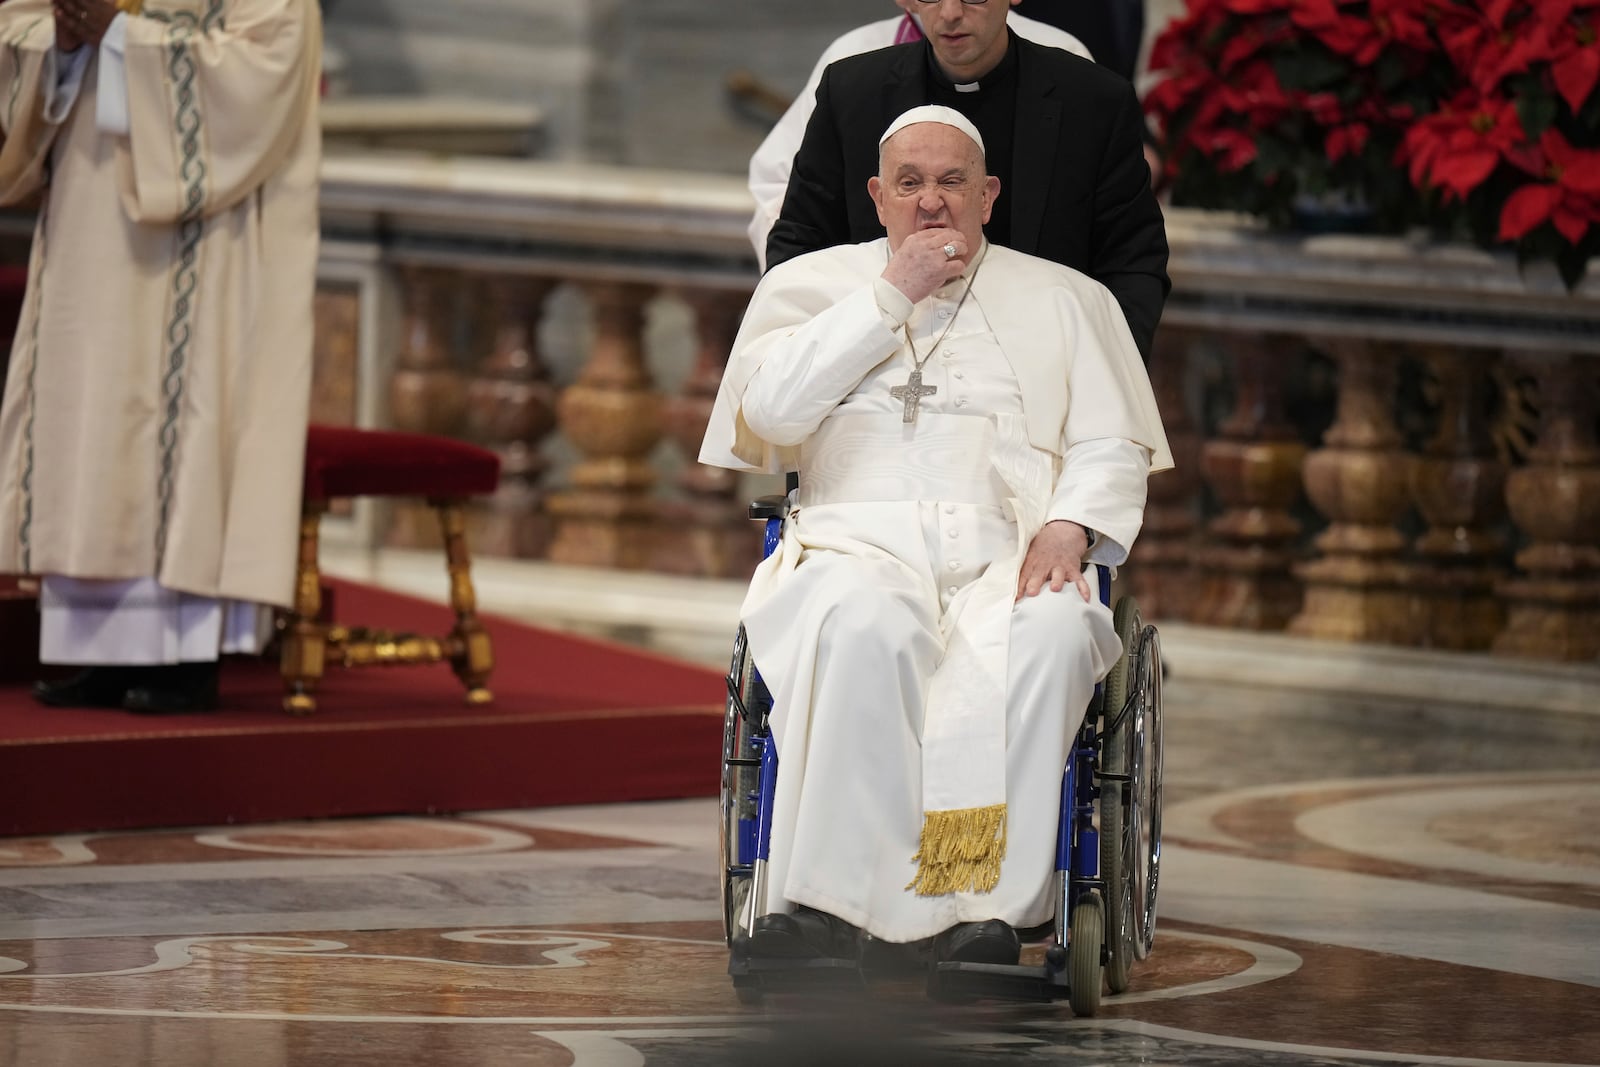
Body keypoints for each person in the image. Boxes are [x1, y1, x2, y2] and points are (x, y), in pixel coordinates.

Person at [700, 107, 1171, 964]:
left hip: (1010, 550)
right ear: (877, 197)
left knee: (1058, 632)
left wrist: (1071, 524)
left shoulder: (1069, 298)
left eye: (952, 181)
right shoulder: (808, 287)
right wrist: (890, 296)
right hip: (854, 542)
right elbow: (768, 411)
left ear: (988, 195)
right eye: (909, 183)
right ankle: (826, 907)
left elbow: (1112, 440)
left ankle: (983, 917)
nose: (930, 201)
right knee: (858, 625)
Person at [0, 0, 322, 713]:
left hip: (203, 235)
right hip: (88, 201)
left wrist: (121, 35)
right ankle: (99, 651)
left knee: (180, 418)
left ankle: (182, 656)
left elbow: (266, 66)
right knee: (90, 414)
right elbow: (12, 24)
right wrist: (59, 36)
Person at [767, 0, 1169, 364]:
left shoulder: (1093, 101)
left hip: (1040, 370)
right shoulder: (852, 93)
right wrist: (825, 358)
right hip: (880, 370)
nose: (950, 13)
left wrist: (1102, 371)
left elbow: (1132, 261)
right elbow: (801, 243)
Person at [746, 0, 1091, 269]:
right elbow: (785, 200)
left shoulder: (1061, 57)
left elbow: (1093, 214)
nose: (951, 13)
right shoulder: (851, 61)